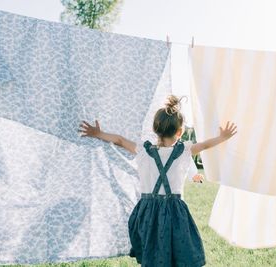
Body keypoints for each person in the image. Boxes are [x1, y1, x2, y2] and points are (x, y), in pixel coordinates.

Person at [78, 95, 237, 267]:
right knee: (179, 255)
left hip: (147, 212)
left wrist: (98, 133)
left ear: (155, 129)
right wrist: (223, 137)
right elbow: (205, 145)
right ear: (180, 132)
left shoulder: (143, 151)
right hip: (174, 212)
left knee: (152, 254)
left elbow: (120, 140)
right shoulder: (184, 151)